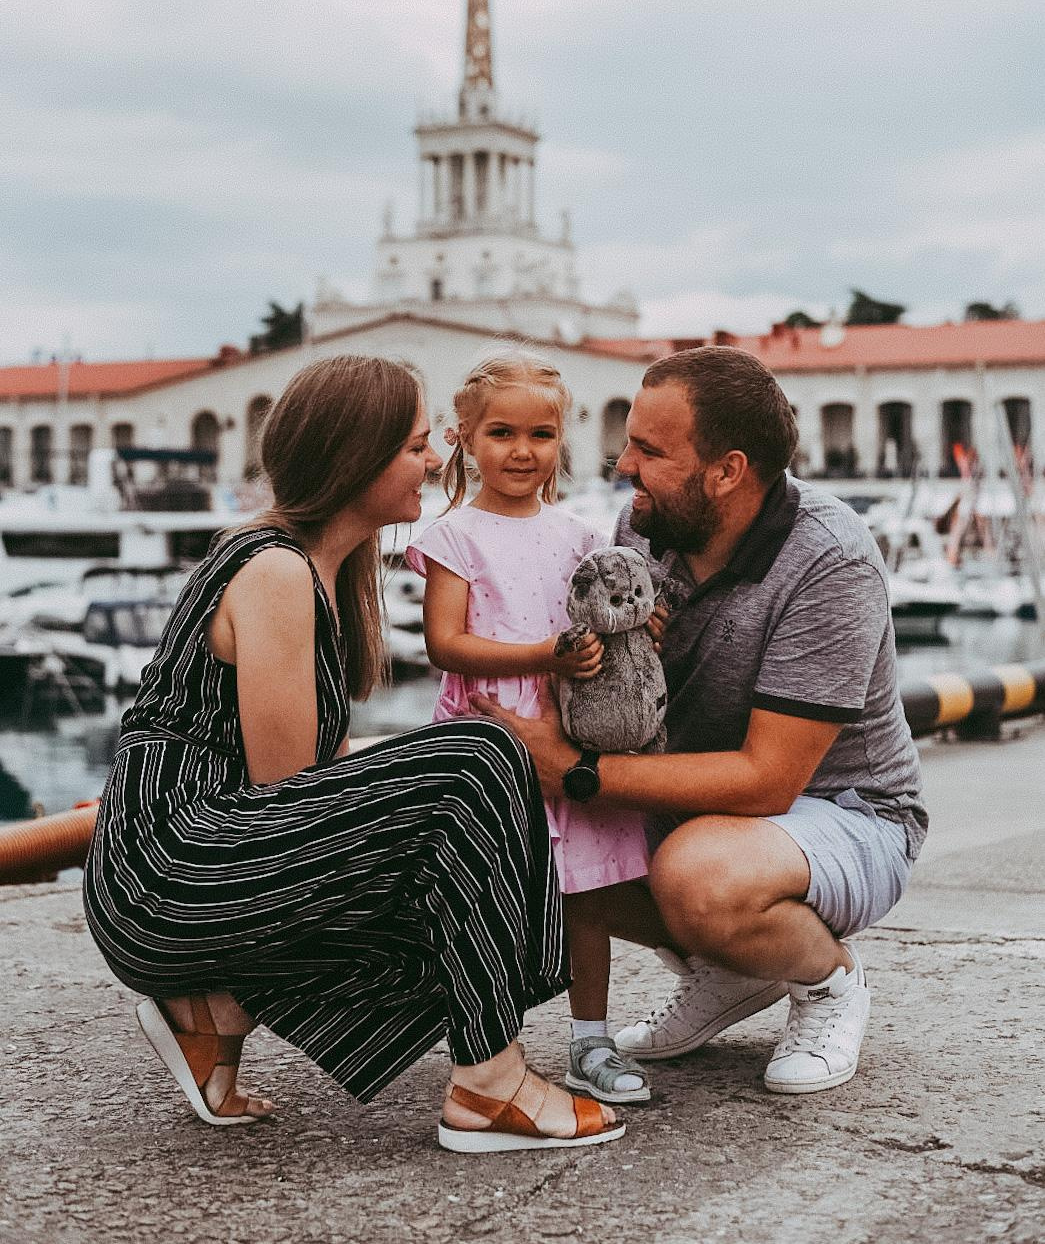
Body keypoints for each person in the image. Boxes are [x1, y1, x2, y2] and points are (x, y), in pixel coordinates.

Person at [83, 353, 623, 1153]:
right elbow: (293, 793)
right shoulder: (274, 570)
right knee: (480, 754)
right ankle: (489, 1083)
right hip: (166, 874)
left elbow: (321, 782)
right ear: (354, 457)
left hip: (186, 868)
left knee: (468, 819)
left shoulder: (321, 573)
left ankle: (214, 1013)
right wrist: (465, 773)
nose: (434, 461)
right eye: (414, 445)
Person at [476, 346, 928, 1096]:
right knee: (536, 843)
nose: (623, 465)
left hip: (847, 811)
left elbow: (768, 779)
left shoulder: (829, 560)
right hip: (693, 804)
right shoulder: (643, 527)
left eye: (650, 451)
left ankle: (828, 981)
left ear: (726, 471)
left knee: (699, 876)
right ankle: (727, 970)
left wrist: (578, 772)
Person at [404, 352, 653, 1105]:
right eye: (501, 433)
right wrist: (542, 654)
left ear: (560, 440)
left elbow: (601, 615)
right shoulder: (454, 536)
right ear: (463, 438)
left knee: (587, 895)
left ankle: (590, 1040)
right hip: (490, 731)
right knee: (492, 890)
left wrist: (634, 626)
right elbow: (446, 644)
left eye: (540, 434)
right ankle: (491, 1045)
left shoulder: (578, 535)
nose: (522, 450)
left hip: (568, 724)